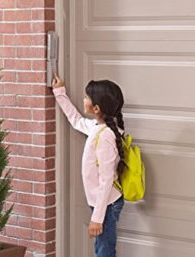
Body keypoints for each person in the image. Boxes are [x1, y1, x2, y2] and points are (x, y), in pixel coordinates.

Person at [52, 73, 125, 257]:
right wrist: (60, 93)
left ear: (96, 108)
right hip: (102, 203)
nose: (84, 100)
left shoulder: (106, 136)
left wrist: (97, 219)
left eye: (86, 98)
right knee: (102, 249)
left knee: (104, 252)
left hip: (107, 204)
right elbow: (76, 120)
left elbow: (106, 179)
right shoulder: (97, 127)